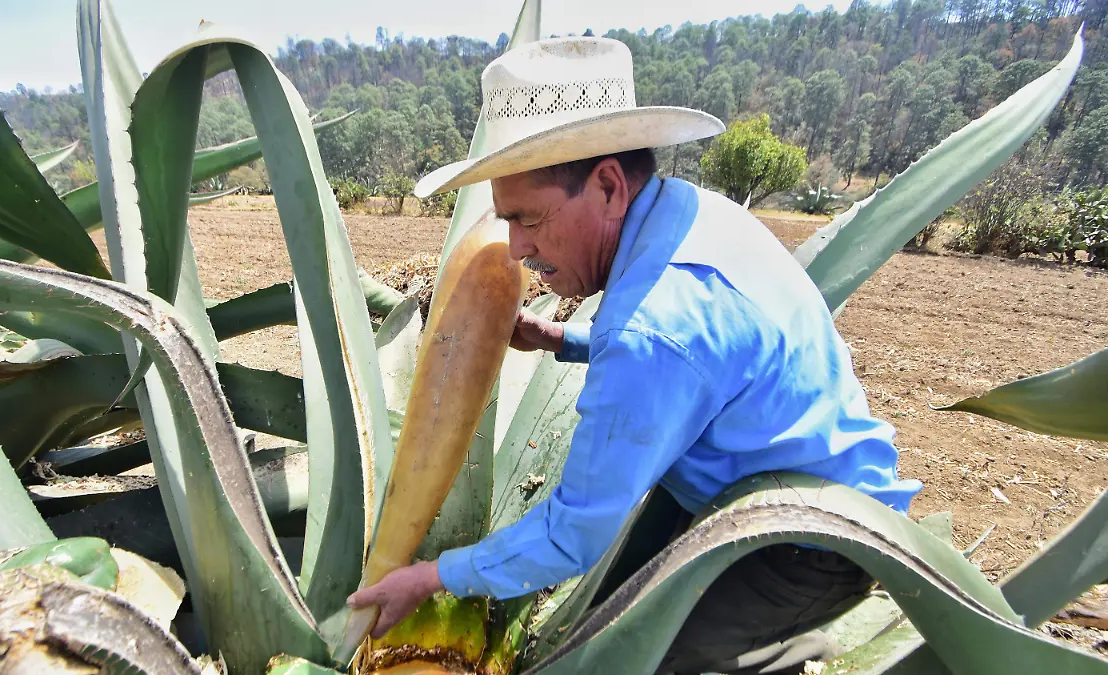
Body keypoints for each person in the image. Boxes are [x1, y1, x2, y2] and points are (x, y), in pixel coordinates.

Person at [346, 36, 923, 675]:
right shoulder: (693, 214)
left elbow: (574, 533)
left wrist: (429, 579)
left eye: (529, 220)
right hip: (793, 485)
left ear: (610, 186)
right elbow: (701, 365)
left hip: (809, 545)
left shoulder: (650, 329)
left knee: (645, 659)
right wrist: (562, 338)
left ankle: (787, 651)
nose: (514, 249)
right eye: (506, 221)